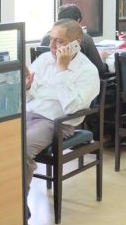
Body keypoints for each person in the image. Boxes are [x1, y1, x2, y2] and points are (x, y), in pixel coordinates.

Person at [25, 19, 100, 207]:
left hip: (56, 122)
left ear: (76, 43)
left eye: (59, 41)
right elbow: (30, 97)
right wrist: (26, 88)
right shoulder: (43, 60)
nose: (51, 46)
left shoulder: (88, 71)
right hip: (29, 114)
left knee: (22, 148)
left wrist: (62, 70)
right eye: (51, 39)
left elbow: (72, 108)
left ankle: (17, 207)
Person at [41, 3, 108, 75]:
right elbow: (99, 69)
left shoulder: (45, 38)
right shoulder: (84, 39)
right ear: (78, 21)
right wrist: (103, 59)